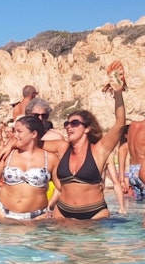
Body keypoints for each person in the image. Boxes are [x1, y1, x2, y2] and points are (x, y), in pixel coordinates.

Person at [50, 66, 127, 221]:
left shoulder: (99, 150)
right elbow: (33, 142)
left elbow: (120, 123)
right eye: (67, 123)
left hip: (94, 214)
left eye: (75, 123)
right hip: (62, 213)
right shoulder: (62, 147)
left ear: (87, 129)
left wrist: (118, 93)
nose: (68, 127)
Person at [0, 116, 56, 222]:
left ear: (34, 134)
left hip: (35, 219)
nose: (15, 135)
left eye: (19, 132)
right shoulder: (7, 155)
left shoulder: (50, 159)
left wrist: (50, 208)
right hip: (2, 214)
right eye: (14, 131)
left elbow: (62, 188)